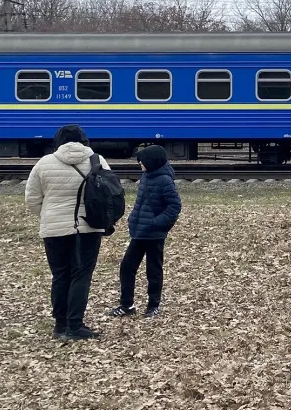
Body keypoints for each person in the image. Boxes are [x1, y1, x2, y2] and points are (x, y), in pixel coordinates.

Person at [24, 124, 113, 340]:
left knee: (60, 275)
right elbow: (110, 194)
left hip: (54, 230)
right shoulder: (97, 160)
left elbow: (32, 200)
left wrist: (48, 216)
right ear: (83, 139)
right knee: (81, 275)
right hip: (88, 228)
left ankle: (60, 325)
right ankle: (75, 325)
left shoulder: (44, 163)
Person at [111, 145, 182, 318]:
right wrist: (133, 218)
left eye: (142, 160)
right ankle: (127, 304)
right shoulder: (146, 176)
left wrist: (156, 223)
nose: (140, 163)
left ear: (152, 161)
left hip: (154, 233)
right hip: (140, 231)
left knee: (153, 270)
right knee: (127, 267)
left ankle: (153, 305)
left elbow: (175, 206)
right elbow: (141, 203)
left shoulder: (164, 180)